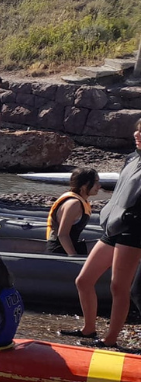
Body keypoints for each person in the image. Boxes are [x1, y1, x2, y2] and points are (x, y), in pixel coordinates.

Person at [64, 118, 141, 350]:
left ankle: (111, 338)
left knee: (119, 286)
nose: (137, 135)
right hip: (113, 227)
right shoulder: (132, 158)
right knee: (84, 280)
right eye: (138, 130)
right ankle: (89, 328)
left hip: (134, 230)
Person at [46, 167, 100, 256]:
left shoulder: (80, 201)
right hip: (60, 251)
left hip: (72, 247)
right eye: (96, 182)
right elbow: (63, 235)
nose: (99, 186)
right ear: (84, 184)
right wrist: (74, 257)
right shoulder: (74, 204)